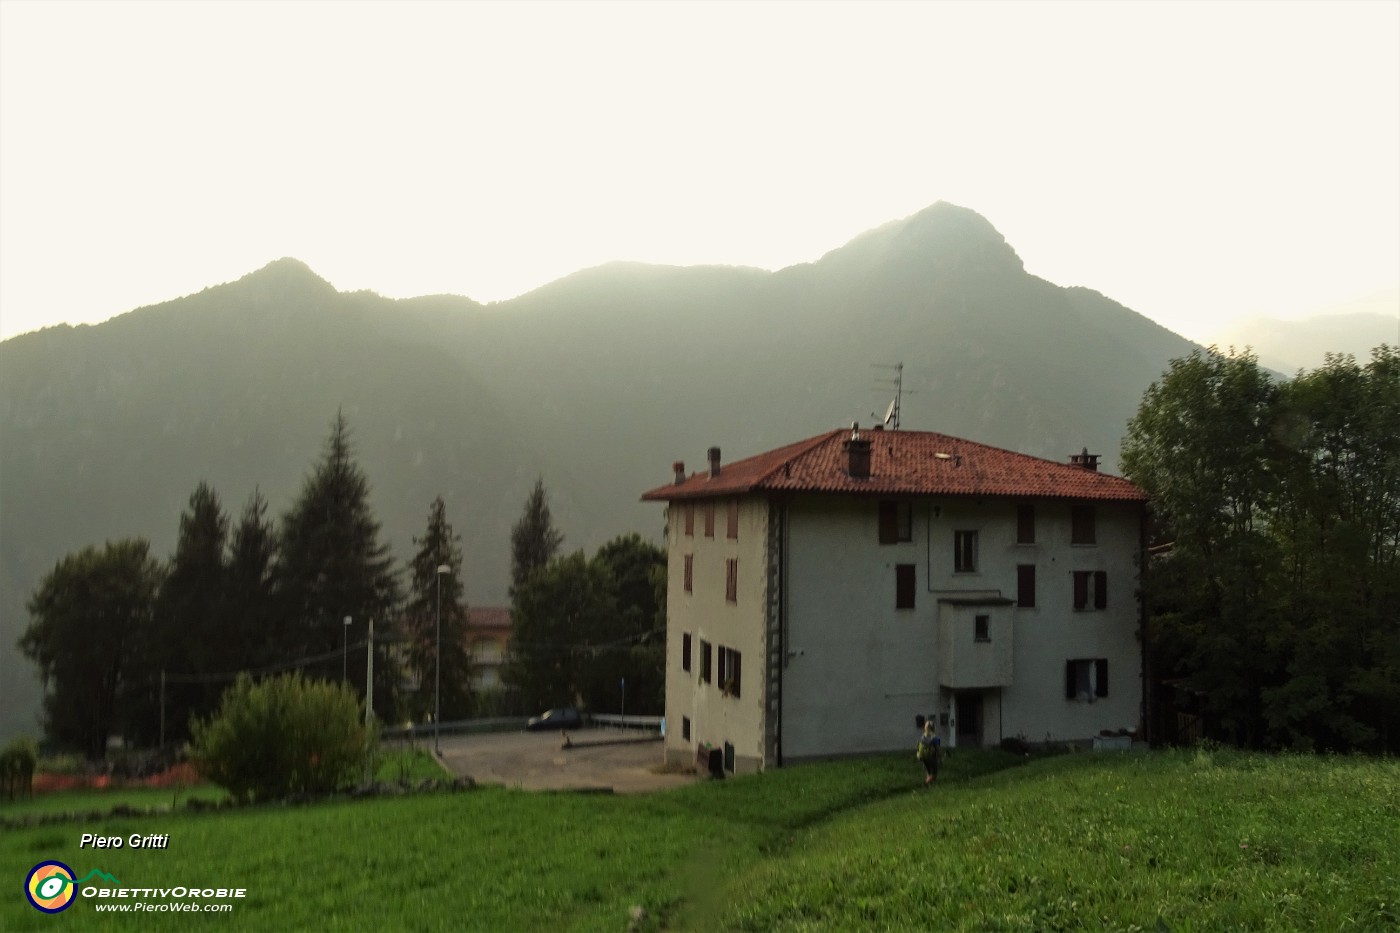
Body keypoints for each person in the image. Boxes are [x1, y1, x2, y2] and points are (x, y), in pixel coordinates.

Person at [917, 720, 942, 786]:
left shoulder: (922, 737)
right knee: (934, 774)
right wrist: (939, 757)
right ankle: (926, 783)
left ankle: (928, 786)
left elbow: (918, 747)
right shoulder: (935, 738)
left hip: (923, 757)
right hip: (931, 757)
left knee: (929, 771)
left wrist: (919, 755)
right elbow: (938, 749)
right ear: (933, 728)